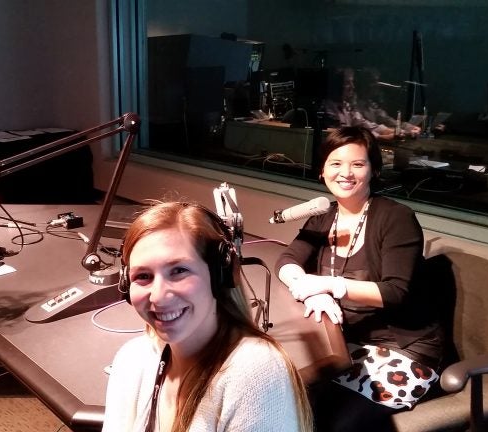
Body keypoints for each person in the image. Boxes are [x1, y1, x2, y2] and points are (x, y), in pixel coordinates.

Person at [275, 126, 445, 431]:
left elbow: (395, 292)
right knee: (287, 401)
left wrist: (329, 284)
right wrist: (308, 290)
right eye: (336, 164)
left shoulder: (396, 218)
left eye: (358, 164)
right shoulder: (322, 216)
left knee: (334, 422)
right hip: (344, 342)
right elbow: (287, 261)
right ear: (322, 171)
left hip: (404, 348)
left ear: (373, 170)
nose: (346, 173)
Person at [103, 202, 312, 432]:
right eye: (143, 276)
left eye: (179, 271)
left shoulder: (255, 371)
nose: (159, 296)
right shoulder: (132, 359)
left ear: (220, 274)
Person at [322, 68, 408, 142]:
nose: (352, 87)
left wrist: (396, 132)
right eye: (347, 83)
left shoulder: (347, 106)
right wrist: (381, 137)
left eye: (352, 82)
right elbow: (346, 133)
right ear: (337, 85)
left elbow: (364, 124)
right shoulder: (328, 108)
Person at [354, 68, 421, 138]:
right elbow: (368, 129)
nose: (378, 85)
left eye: (377, 81)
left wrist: (409, 127)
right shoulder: (354, 107)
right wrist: (404, 131)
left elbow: (386, 119)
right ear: (364, 84)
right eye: (373, 82)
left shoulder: (371, 104)